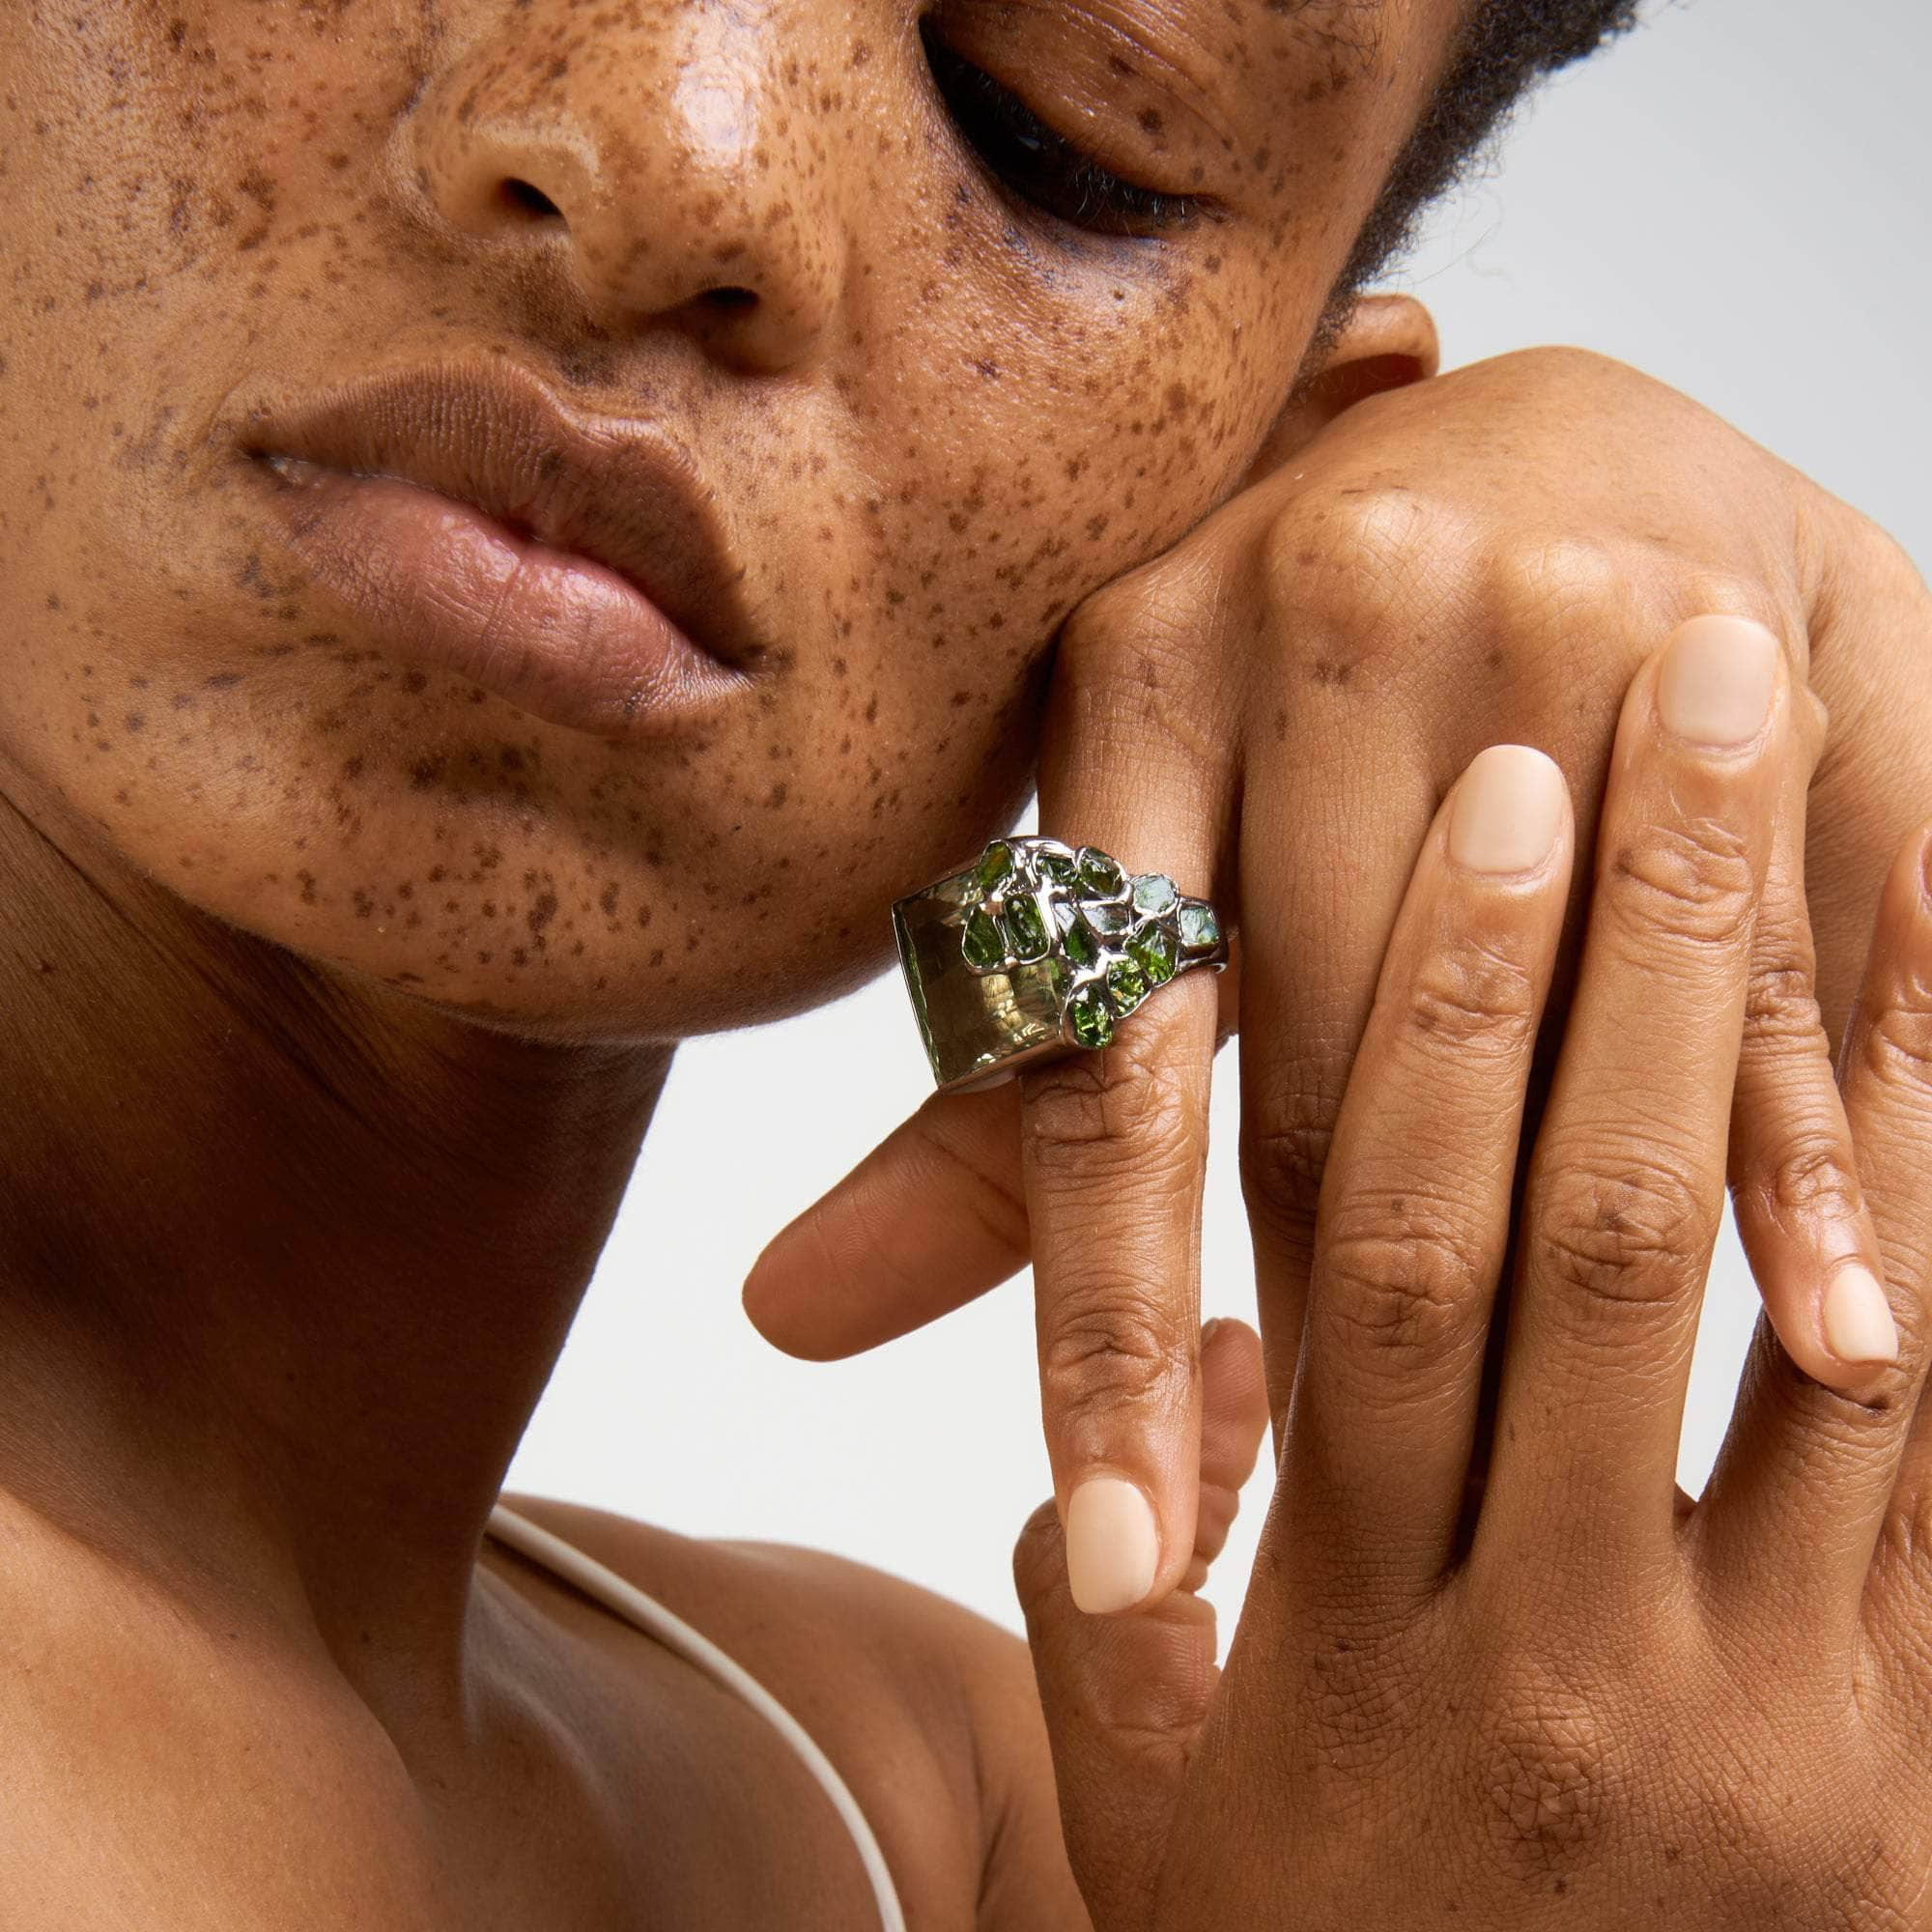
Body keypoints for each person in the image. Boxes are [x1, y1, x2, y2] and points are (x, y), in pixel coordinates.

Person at [2, 0, 1928, 1924]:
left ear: (1251, 511)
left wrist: (1827, 788)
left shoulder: (954, 1808)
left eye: (1058, 128)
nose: (686, 157)